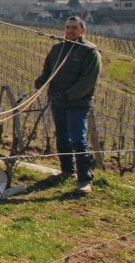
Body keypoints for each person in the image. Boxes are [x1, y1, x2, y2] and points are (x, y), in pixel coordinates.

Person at [34, 15, 102, 196]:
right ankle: (67, 170)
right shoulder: (57, 49)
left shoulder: (90, 52)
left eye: (74, 27)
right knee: (62, 137)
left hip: (78, 103)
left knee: (78, 139)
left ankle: (85, 179)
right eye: (68, 27)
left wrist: (68, 95)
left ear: (82, 30)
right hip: (58, 101)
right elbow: (48, 71)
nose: (70, 30)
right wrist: (41, 81)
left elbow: (88, 82)